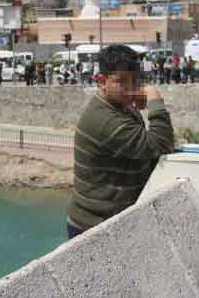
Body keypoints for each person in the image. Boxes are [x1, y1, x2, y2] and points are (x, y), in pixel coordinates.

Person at [66, 45, 174, 238]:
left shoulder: (121, 107)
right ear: (101, 81)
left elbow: (147, 152)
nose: (131, 88)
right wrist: (153, 97)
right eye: (121, 81)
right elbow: (161, 145)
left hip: (113, 220)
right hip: (94, 227)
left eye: (135, 81)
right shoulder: (104, 119)